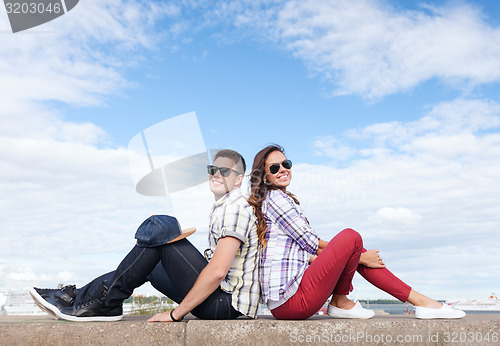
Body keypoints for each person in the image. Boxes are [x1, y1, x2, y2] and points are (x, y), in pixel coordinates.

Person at [30, 149, 260, 322]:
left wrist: (175, 315)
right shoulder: (224, 206)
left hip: (224, 305)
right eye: (212, 170)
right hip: (218, 303)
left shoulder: (235, 207)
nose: (216, 175)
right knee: (151, 261)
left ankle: (85, 299)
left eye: (225, 171)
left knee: (162, 228)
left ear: (239, 178)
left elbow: (218, 271)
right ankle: (84, 298)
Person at [248, 144, 466, 320]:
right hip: (292, 303)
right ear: (265, 177)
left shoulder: (277, 200)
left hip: (288, 302)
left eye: (286, 163)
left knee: (353, 245)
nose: (283, 169)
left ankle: (416, 300)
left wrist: (356, 257)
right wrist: (361, 257)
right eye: (274, 168)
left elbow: (308, 255)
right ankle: (347, 302)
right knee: (351, 237)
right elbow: (311, 242)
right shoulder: (276, 199)